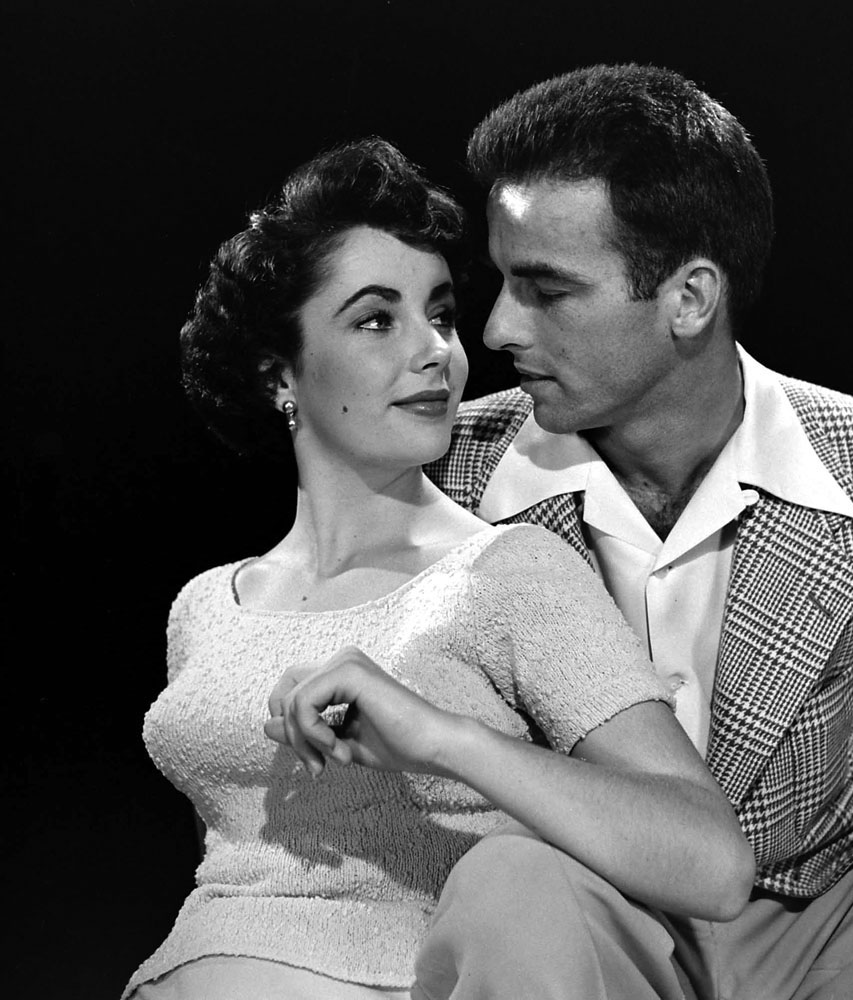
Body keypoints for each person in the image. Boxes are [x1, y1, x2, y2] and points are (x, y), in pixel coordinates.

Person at [420, 64, 853, 999]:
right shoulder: (444, 475)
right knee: (510, 882)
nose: (498, 327)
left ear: (689, 299)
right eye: (502, 281)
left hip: (832, 919)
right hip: (579, 914)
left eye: (545, 289)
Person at [121, 136, 754, 1000]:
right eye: (376, 320)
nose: (437, 352)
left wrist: (443, 738)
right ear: (278, 373)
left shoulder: (509, 573)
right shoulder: (205, 606)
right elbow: (243, 865)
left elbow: (711, 862)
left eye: (442, 315)